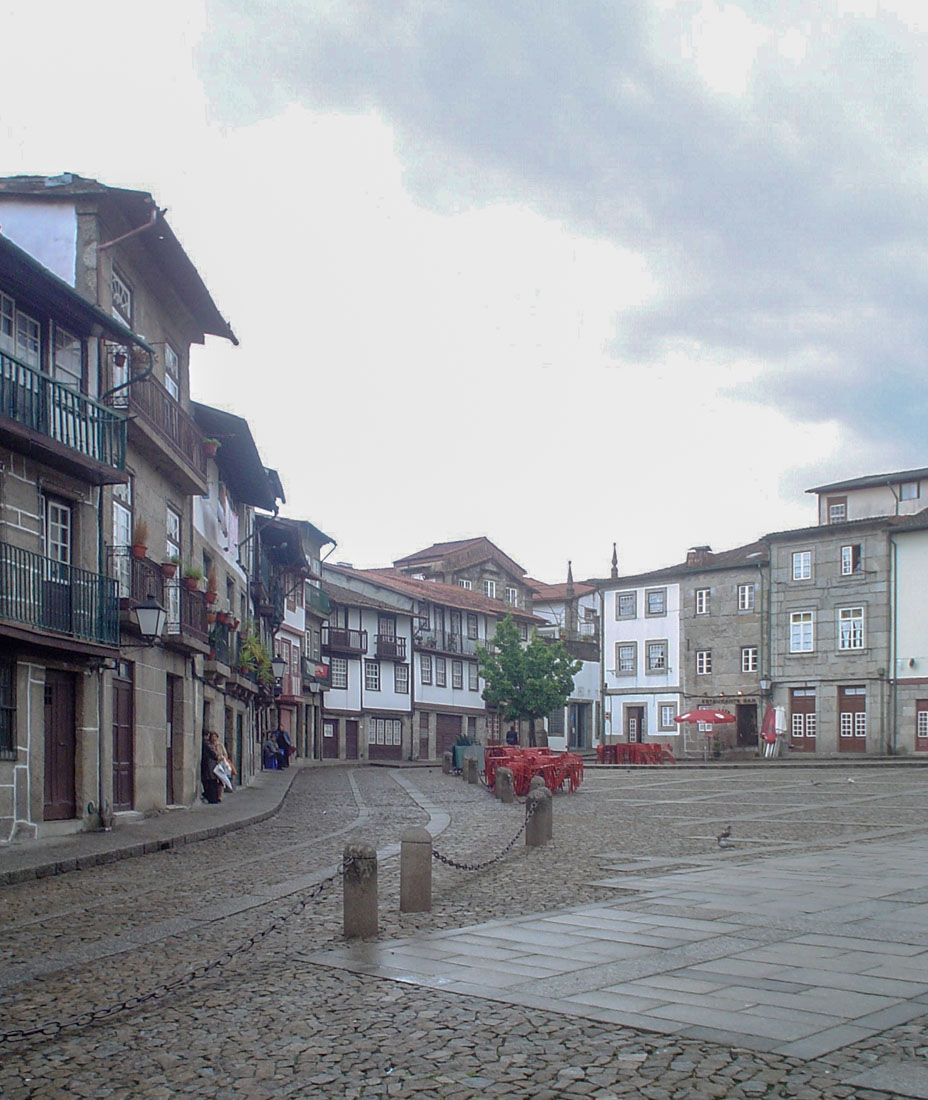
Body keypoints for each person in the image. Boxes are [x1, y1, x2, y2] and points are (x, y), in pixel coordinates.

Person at [200, 731, 221, 804]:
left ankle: (212, 798)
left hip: (209, 765)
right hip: (210, 765)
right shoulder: (207, 743)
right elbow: (214, 754)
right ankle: (213, 798)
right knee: (212, 782)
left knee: (211, 782)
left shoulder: (205, 743)